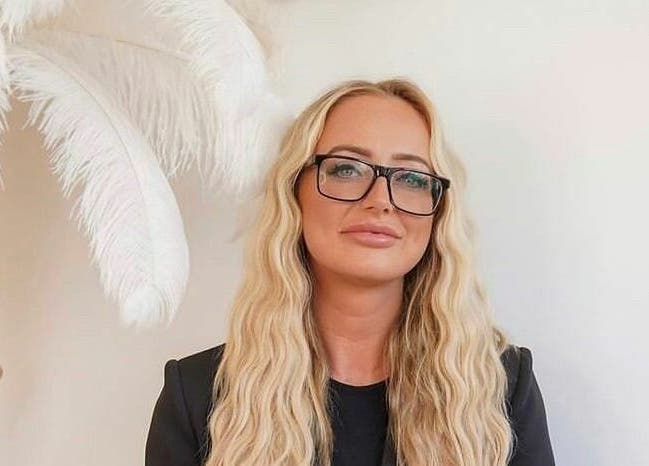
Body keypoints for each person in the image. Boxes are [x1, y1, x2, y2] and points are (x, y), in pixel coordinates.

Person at [145, 78, 555, 466]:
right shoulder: (197, 396)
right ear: (294, 192)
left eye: (412, 178)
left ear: (437, 214)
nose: (381, 200)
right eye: (346, 169)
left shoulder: (499, 386)